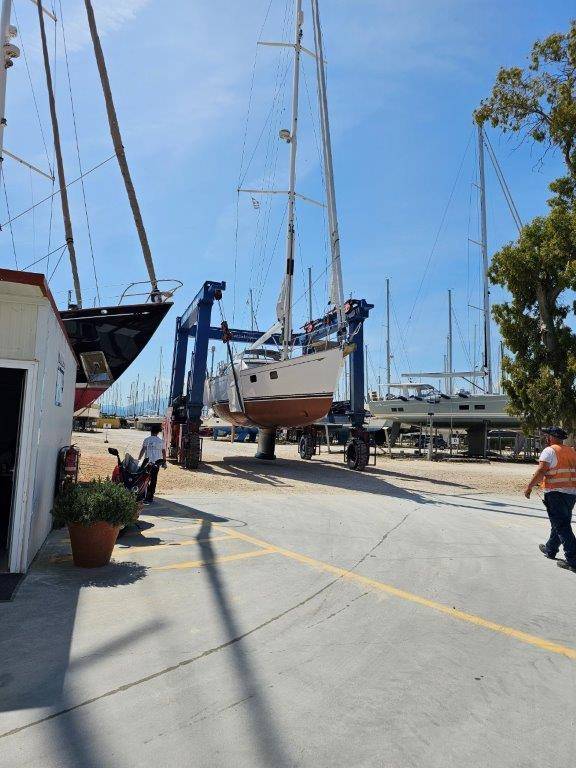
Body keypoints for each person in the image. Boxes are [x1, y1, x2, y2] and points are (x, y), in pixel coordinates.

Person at [525, 426, 576, 572]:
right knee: (561, 522)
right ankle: (550, 549)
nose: (546, 438)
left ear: (552, 437)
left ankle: (573, 559)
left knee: (561, 525)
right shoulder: (571, 451)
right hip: (571, 493)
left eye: (547, 436)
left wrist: (529, 487)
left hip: (555, 493)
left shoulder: (549, 450)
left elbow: (541, 470)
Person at [138, 425, 166, 504]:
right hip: (156, 464)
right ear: (158, 432)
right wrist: (164, 462)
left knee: (145, 479)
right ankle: (150, 497)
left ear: (151, 431)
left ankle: (143, 495)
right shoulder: (161, 441)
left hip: (147, 464)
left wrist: (139, 459)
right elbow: (163, 452)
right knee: (153, 480)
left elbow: (143, 450)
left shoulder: (146, 440)